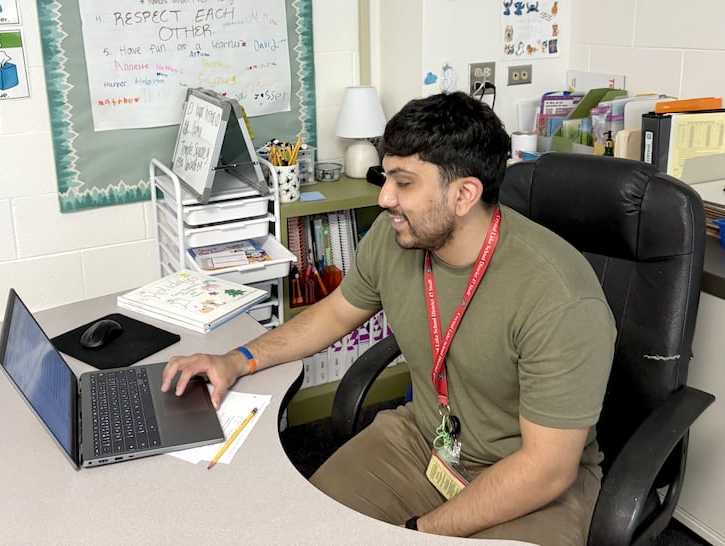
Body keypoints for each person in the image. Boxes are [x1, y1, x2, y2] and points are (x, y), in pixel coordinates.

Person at [162, 91, 615, 545]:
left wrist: (418, 531)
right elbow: (335, 312)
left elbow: (547, 469)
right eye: (386, 177)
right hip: (427, 441)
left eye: (403, 183)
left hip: (527, 479)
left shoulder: (560, 298)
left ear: (464, 194)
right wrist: (237, 360)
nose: (383, 198)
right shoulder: (398, 236)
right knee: (306, 529)